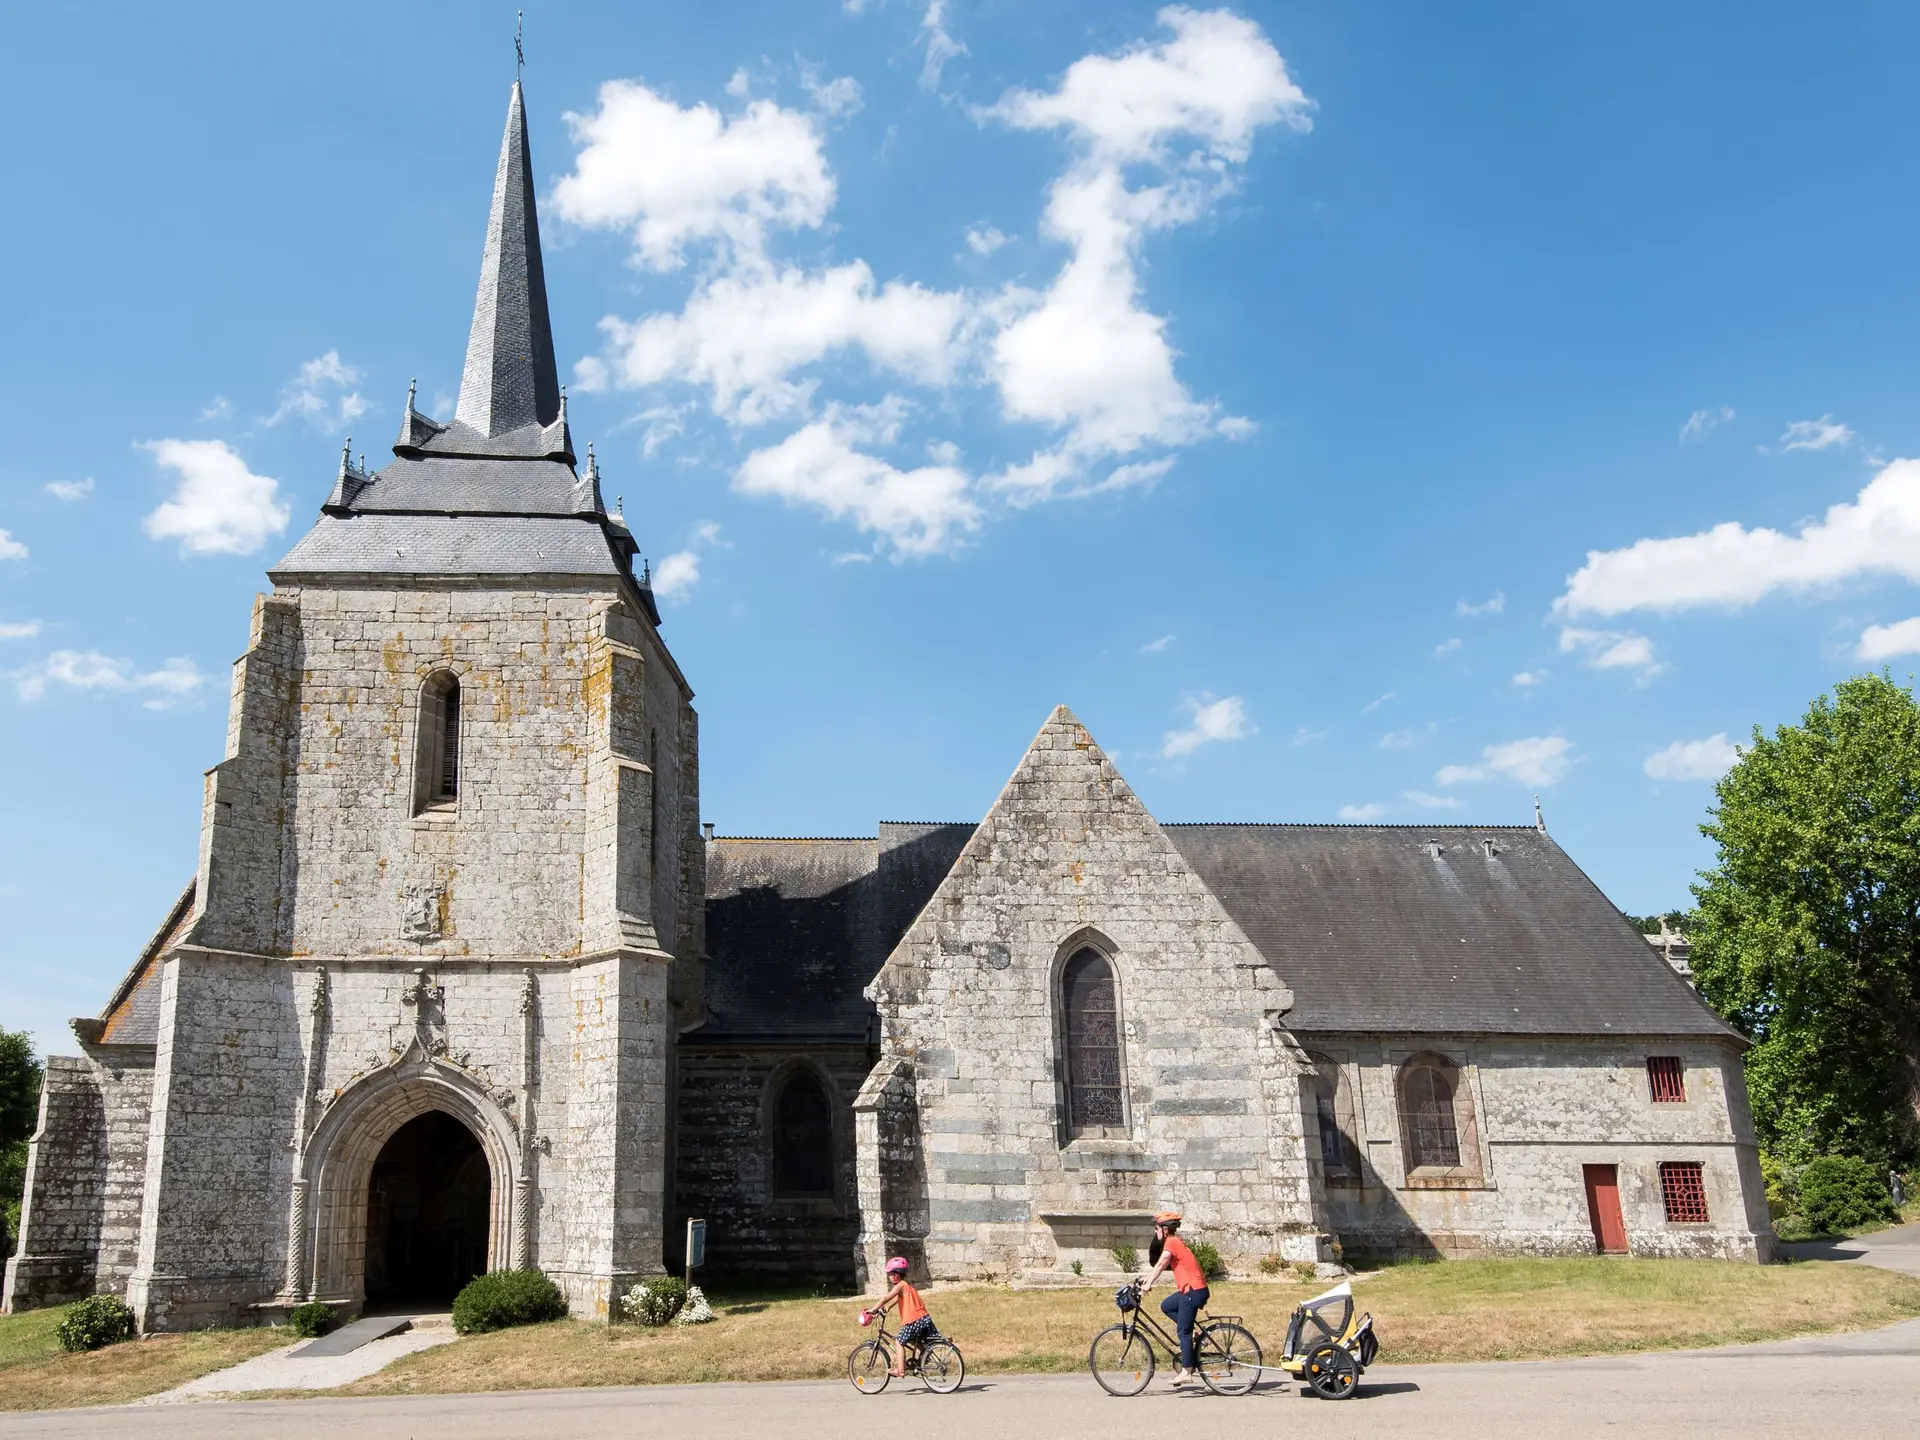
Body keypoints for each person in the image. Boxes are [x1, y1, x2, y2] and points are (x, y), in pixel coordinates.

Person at [1139, 1211, 1209, 1388]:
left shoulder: (1171, 1242)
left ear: (1164, 1229)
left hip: (1193, 1291)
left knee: (1182, 1332)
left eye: (1156, 1229)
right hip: (1193, 1289)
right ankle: (1195, 1334)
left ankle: (1186, 1371)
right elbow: (1159, 1265)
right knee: (1167, 1305)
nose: (1155, 1233)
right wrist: (1146, 1279)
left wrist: (1148, 1284)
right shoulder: (1174, 1242)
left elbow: (1162, 1264)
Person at [863, 1256, 937, 1378]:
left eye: (890, 1274)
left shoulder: (900, 1285)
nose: (889, 1276)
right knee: (912, 1339)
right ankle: (925, 1354)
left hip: (914, 1320)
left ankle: (900, 1370)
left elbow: (886, 1297)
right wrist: (888, 1308)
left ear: (896, 1275)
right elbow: (897, 1298)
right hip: (923, 1318)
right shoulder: (906, 1285)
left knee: (899, 1341)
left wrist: (873, 1309)